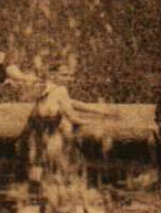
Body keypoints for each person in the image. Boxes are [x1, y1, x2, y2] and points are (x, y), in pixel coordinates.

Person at [19, 52, 117, 186]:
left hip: (34, 134)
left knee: (38, 172)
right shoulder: (61, 90)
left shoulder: (46, 88)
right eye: (65, 75)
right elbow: (73, 117)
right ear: (53, 75)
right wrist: (92, 122)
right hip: (50, 135)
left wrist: (97, 110)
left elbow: (70, 103)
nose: (70, 78)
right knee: (59, 170)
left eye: (71, 75)